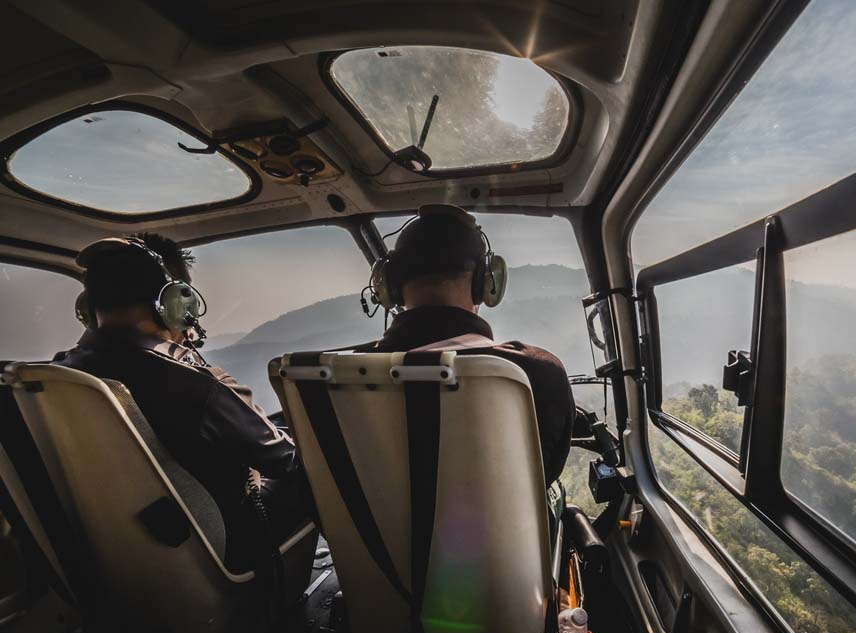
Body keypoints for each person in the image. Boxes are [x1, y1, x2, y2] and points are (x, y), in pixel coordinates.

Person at [53, 233, 310, 570]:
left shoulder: (57, 378)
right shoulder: (191, 383)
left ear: (88, 309)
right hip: (216, 547)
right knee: (316, 472)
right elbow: (285, 459)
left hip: (117, 556)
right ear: (175, 302)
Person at [359, 205, 574, 486]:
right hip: (501, 531)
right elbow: (543, 479)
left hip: (373, 530)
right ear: (485, 283)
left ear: (389, 286)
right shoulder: (537, 374)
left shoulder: (341, 379)